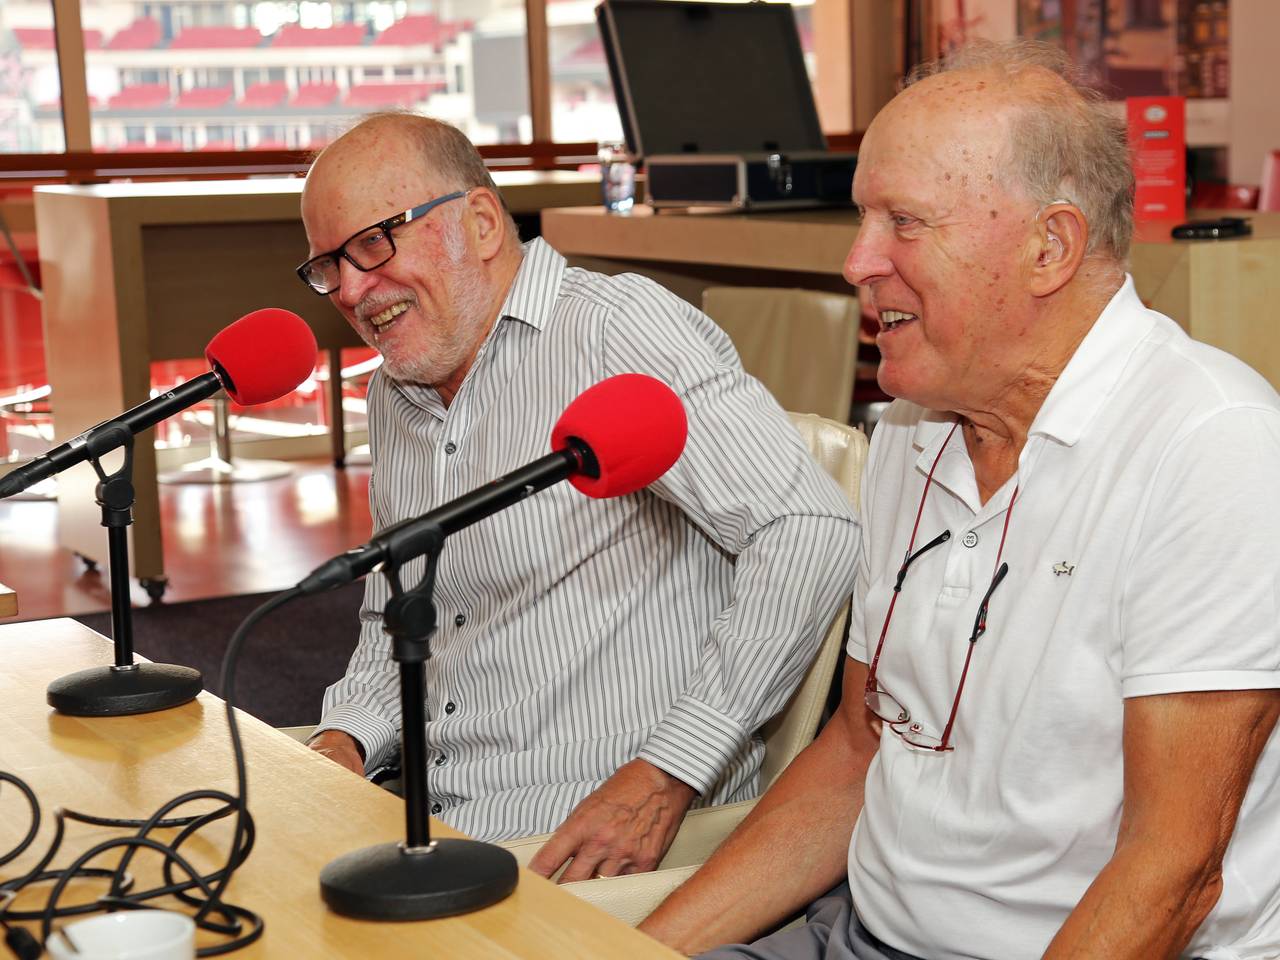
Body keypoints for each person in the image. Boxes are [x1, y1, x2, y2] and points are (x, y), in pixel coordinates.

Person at [639, 40, 1280, 960]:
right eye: (864, 218)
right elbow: (862, 748)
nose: (858, 261)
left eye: (903, 221)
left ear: (1048, 246)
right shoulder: (914, 426)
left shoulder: (1212, 445)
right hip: (863, 931)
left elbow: (1171, 870)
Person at [295, 111, 860, 882]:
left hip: (577, 843)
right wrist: (349, 739)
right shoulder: (396, 392)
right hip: (428, 812)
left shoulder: (614, 334)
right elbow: (400, 613)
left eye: (373, 243)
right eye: (330, 265)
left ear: (484, 222)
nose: (354, 289)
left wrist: (669, 770)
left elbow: (811, 528)